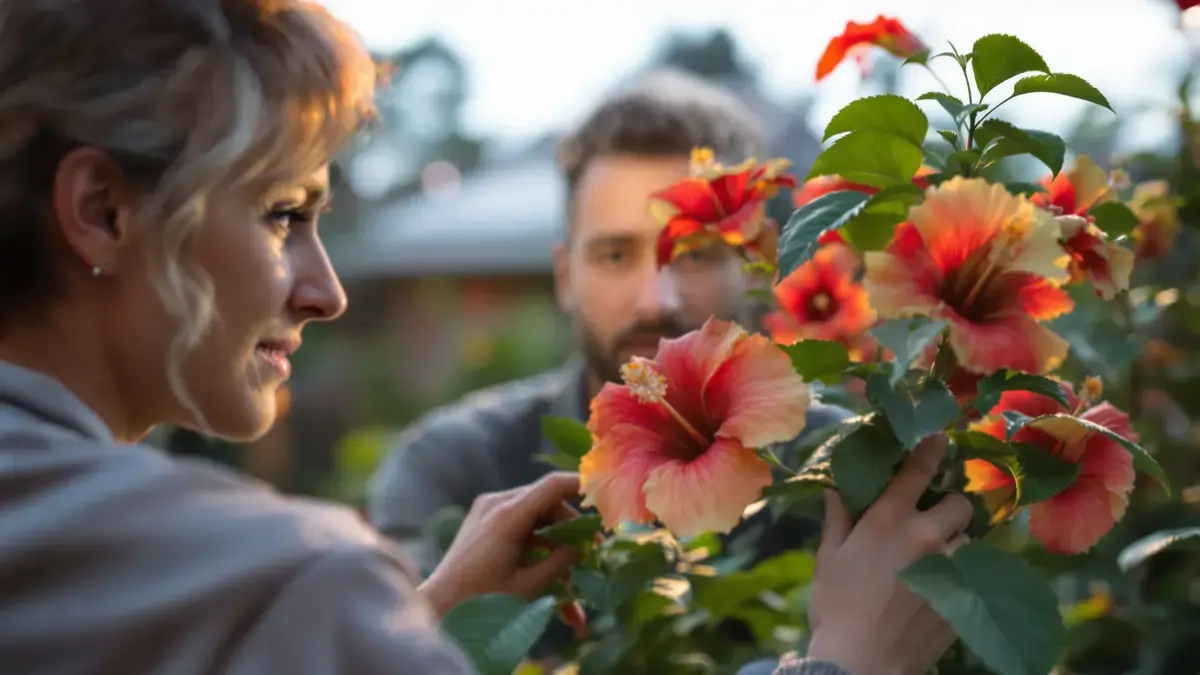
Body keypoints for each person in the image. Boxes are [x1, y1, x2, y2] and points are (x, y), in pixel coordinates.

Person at [0, 2, 971, 674]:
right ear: (102, 210)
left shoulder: (849, 461)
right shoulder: (286, 584)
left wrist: (411, 625)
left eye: (702, 252)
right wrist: (845, 664)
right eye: (282, 212)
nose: (327, 291)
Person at [369, 70, 851, 577]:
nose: (656, 301)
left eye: (695, 255)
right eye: (616, 255)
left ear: (757, 264)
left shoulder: (835, 465)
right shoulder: (456, 469)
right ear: (565, 276)